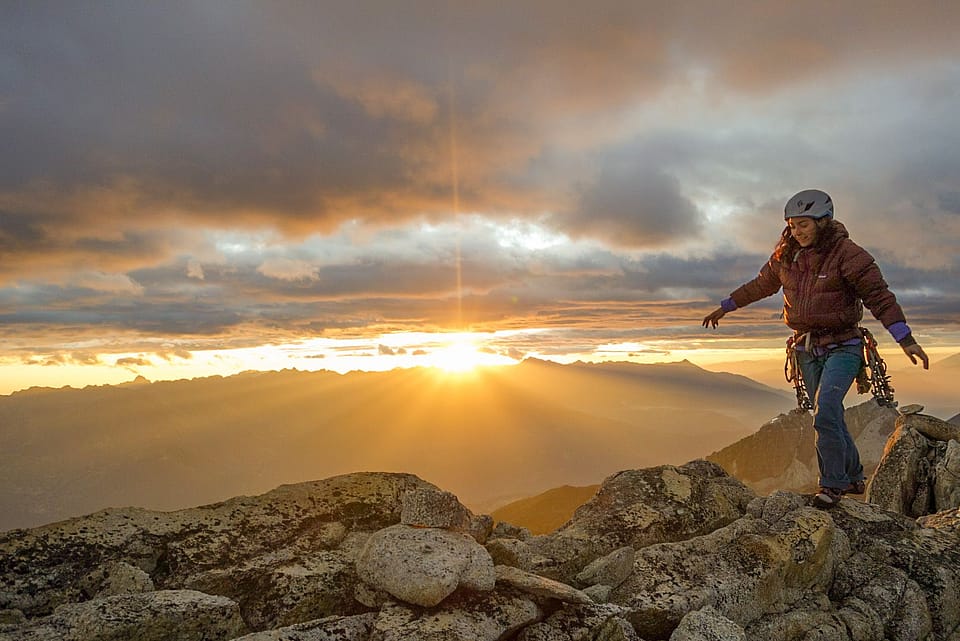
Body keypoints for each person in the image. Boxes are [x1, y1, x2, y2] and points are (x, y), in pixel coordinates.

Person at [702, 189, 929, 508]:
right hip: (806, 348)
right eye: (792, 225)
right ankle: (851, 477)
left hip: (844, 346)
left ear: (824, 221)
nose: (797, 231)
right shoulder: (786, 256)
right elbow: (761, 284)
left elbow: (880, 297)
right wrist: (726, 306)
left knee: (826, 412)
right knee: (829, 416)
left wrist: (905, 338)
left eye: (804, 224)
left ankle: (832, 486)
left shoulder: (849, 255)